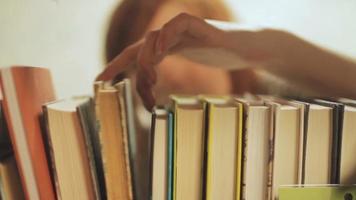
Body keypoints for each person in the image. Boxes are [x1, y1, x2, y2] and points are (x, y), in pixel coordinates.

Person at [102, 1, 239, 199]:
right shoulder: (127, 171)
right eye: (138, 63)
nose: (169, 72)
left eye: (181, 48)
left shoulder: (287, 111)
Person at [97, 13, 356, 110]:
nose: (162, 73)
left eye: (169, 43)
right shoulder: (147, 162)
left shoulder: (301, 105)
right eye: (134, 68)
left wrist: (272, 49)